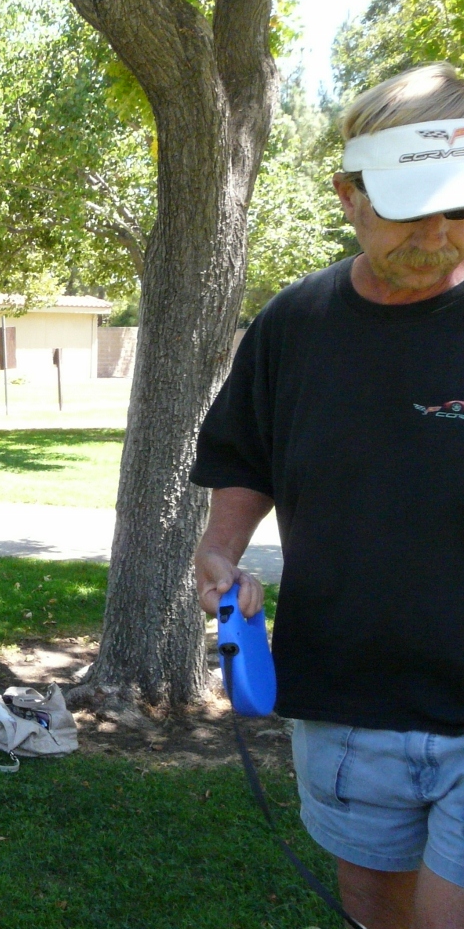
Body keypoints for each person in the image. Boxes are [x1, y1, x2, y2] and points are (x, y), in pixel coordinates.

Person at [192, 62, 464, 929]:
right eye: (409, 206)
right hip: (346, 695)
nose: (438, 231)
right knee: (372, 913)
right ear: (349, 194)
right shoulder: (294, 324)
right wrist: (221, 549)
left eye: (459, 208)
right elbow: (244, 455)